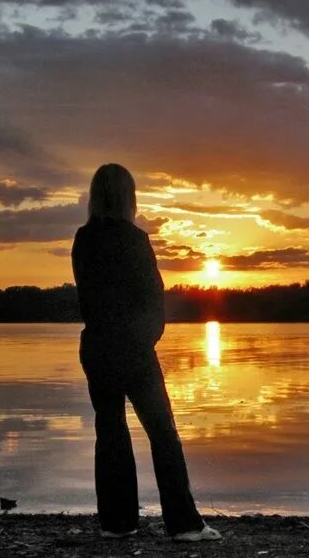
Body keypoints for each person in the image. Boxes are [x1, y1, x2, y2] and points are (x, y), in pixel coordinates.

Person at [71, 163, 220, 542]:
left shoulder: (83, 239)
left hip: (98, 345)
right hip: (132, 348)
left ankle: (117, 523)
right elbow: (154, 300)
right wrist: (144, 341)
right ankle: (184, 524)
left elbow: (89, 296)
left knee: (110, 432)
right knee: (162, 433)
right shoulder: (134, 239)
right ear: (129, 198)